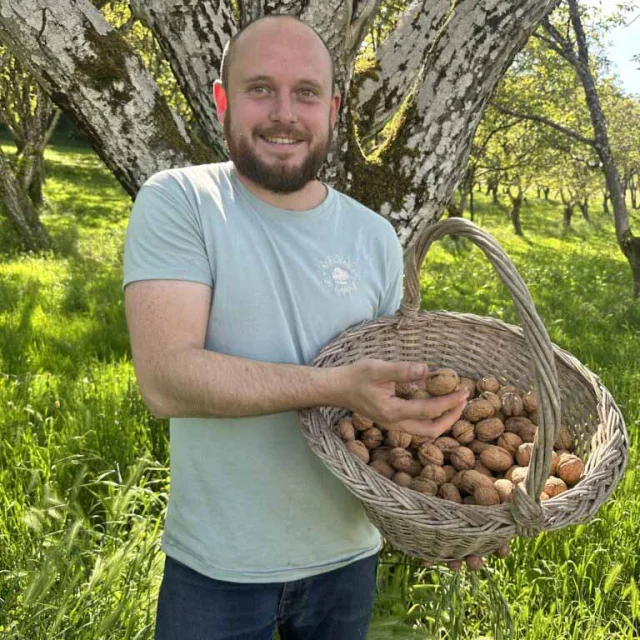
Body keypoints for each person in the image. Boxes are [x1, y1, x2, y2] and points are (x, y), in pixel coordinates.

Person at [123, 14, 475, 640]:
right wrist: (334, 386)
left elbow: (386, 411)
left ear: (333, 107)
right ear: (223, 99)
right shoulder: (180, 201)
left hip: (349, 564)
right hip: (217, 573)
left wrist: (446, 516)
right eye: (261, 88)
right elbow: (167, 379)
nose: (284, 113)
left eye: (306, 92)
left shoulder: (375, 238)